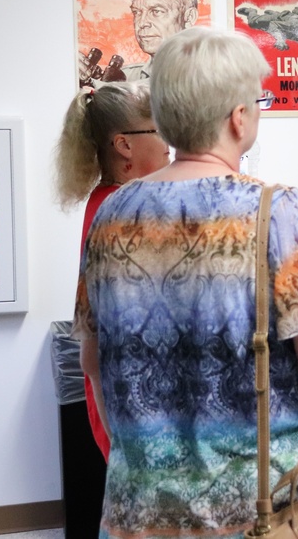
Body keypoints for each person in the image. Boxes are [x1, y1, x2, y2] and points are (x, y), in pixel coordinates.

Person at [73, 27, 298, 539]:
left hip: (140, 510)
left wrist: (141, 458)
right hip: (264, 510)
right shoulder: (278, 212)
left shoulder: (111, 215)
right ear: (239, 117)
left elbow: (92, 360)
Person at [54, 81, 171, 462]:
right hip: (126, 397)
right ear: (125, 145)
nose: (169, 140)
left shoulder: (113, 199)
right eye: (158, 130)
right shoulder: (124, 207)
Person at [79, 0, 198, 85]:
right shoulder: (126, 79)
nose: (142, 23)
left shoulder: (206, 79)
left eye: (156, 11)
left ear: (189, 17)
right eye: (137, 12)